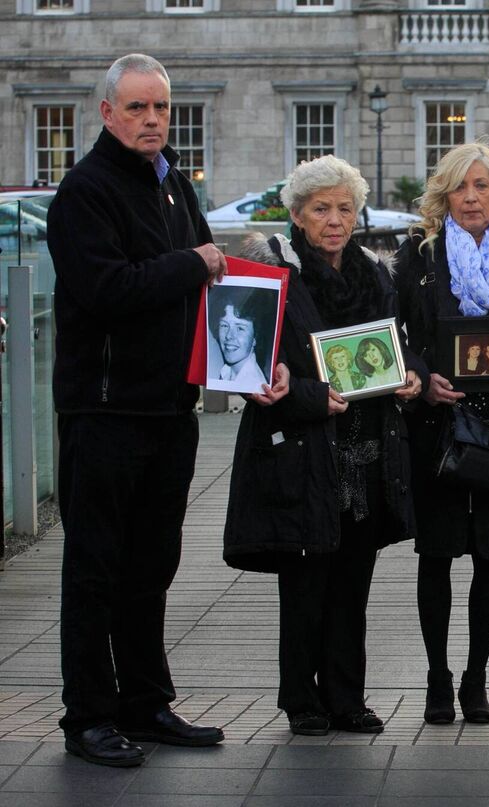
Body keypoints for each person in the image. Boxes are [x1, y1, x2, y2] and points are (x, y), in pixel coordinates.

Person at [46, 53, 231, 768]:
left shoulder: (173, 182)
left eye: (161, 107)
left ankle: (146, 700)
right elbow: (106, 289)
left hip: (168, 408)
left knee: (152, 564)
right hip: (104, 411)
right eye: (137, 108)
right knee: (95, 568)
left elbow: (209, 285)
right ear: (107, 114)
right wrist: (196, 262)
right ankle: (87, 714)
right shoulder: (85, 190)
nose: (153, 119)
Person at [227, 155, 427, 737]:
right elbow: (252, 371)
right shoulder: (271, 276)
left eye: (345, 208)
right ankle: (301, 699)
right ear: (297, 214)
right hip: (301, 454)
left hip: (366, 455)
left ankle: (347, 697)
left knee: (353, 585)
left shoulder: (375, 274)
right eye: (321, 209)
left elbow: (396, 348)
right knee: (306, 585)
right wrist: (313, 399)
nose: (335, 220)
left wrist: (410, 375)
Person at [394, 141, 489, 725]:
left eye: (483, 186)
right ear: (445, 194)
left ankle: (477, 678)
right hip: (435, 420)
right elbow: (398, 331)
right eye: (461, 186)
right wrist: (423, 376)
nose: (472, 197)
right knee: (436, 554)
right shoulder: (419, 255)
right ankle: (437, 676)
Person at [208, 288, 271, 388]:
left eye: (240, 328)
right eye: (224, 325)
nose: (229, 335)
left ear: (255, 337)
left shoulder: (254, 383)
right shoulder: (226, 371)